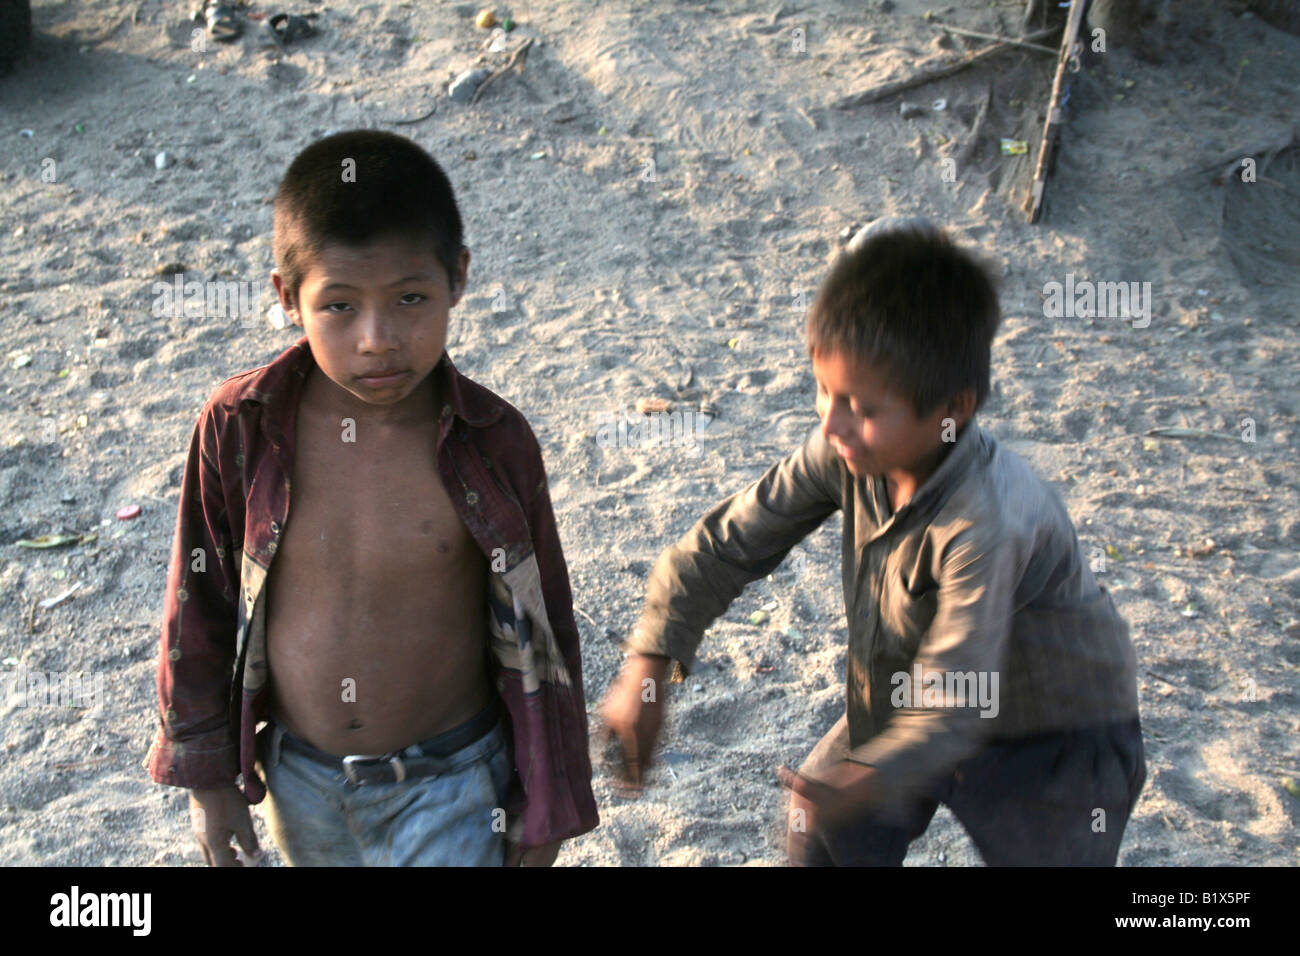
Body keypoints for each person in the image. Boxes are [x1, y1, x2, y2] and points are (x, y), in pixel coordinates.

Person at [601, 219, 1146, 865]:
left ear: (953, 409)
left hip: (1056, 736)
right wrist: (651, 661)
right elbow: (723, 547)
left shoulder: (987, 519)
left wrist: (863, 780)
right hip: (910, 693)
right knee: (824, 835)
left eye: (860, 407)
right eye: (823, 391)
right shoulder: (847, 450)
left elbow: (955, 702)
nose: (831, 423)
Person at [145, 130, 598, 866]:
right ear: (287, 298)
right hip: (299, 784)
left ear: (459, 277)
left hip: (455, 785)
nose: (378, 339)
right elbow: (197, 606)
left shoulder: (494, 442)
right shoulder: (240, 427)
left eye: (410, 298)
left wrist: (545, 807)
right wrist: (208, 779)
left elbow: (545, 630)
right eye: (339, 306)